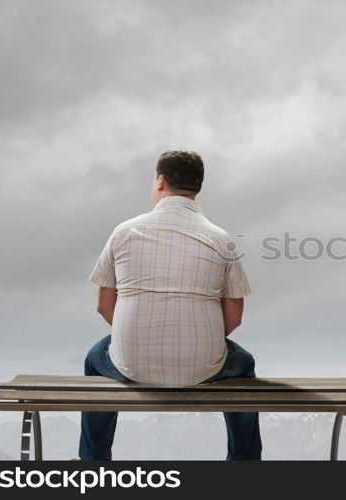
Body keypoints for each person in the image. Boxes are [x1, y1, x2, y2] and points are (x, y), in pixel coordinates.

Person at [78, 150, 261, 460]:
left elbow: (104, 306)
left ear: (160, 181)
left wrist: (132, 335)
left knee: (95, 358)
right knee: (244, 363)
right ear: (198, 187)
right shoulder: (221, 239)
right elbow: (234, 316)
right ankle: (244, 464)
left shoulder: (124, 232)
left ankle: (94, 463)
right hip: (205, 367)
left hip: (129, 363)